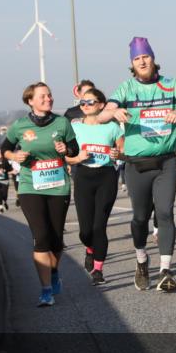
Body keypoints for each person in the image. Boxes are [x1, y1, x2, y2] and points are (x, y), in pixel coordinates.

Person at [99, 37, 176, 292]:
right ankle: (141, 260)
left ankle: (166, 270)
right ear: (132, 64)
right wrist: (115, 113)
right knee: (140, 218)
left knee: (165, 212)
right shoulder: (126, 88)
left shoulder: (170, 85)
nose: (142, 61)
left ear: (153, 59)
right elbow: (101, 115)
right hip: (136, 165)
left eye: (145, 56)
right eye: (136, 58)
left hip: (166, 161)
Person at [1, 82, 78, 307]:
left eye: (50, 95)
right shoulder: (20, 126)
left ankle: (53, 272)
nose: (48, 99)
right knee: (41, 238)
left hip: (58, 186)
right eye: (43, 96)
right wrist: (13, 157)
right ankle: (45, 290)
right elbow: (4, 148)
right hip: (30, 186)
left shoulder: (62, 122)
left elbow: (75, 148)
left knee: (56, 239)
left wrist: (67, 150)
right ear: (30, 101)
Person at [65, 87, 124, 285]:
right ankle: (90, 249)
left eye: (90, 102)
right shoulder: (74, 127)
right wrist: (76, 158)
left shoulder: (113, 127)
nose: (86, 105)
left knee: (99, 227)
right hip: (83, 177)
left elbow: (123, 151)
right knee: (85, 231)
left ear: (101, 105)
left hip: (106, 176)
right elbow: (65, 156)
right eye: (83, 102)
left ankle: (98, 270)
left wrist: (118, 155)